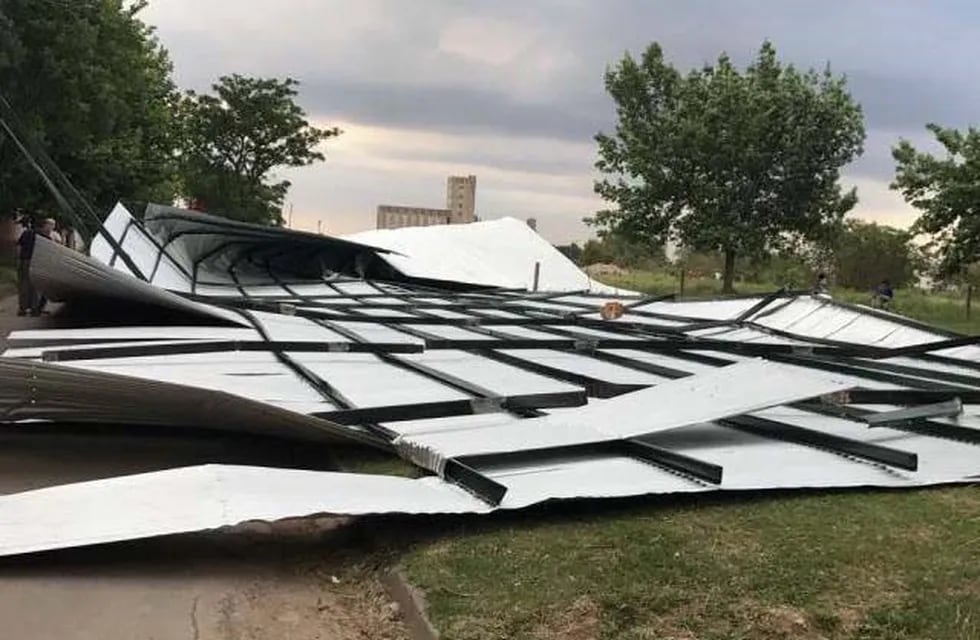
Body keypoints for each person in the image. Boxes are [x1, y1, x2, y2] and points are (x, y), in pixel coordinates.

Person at [15, 217, 55, 316]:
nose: (52, 228)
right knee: (36, 285)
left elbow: (19, 246)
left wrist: (19, 259)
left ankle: (23, 309)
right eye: (51, 226)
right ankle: (34, 309)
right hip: (36, 262)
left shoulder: (27, 233)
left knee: (24, 285)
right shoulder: (45, 238)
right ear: (45, 225)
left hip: (24, 261)